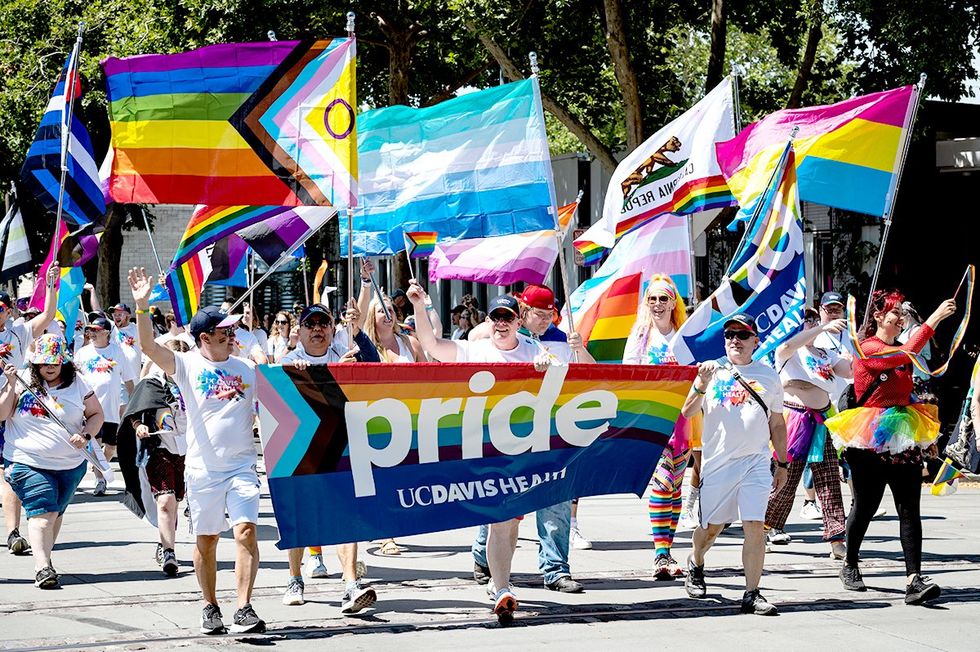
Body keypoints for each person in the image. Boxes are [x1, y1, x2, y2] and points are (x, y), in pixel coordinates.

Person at [408, 286, 562, 622]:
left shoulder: (534, 349)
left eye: (507, 317)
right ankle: (503, 587)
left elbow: (562, 389)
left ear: (518, 320)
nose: (501, 323)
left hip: (523, 453)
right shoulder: (473, 350)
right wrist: (420, 306)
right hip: (485, 452)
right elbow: (433, 346)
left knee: (510, 524)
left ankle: (499, 581)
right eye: (496, 317)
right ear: (489, 321)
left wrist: (548, 369)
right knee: (500, 521)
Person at [129, 268, 266, 635]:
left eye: (233, 328)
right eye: (225, 330)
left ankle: (244, 607)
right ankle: (210, 606)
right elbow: (147, 347)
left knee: (246, 532)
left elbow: (281, 395)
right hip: (203, 469)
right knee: (207, 540)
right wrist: (142, 306)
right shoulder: (187, 364)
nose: (232, 333)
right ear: (205, 337)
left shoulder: (249, 369)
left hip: (241, 468)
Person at [825, 290, 957, 605]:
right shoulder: (868, 348)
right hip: (868, 438)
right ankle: (850, 562)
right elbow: (907, 354)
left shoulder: (901, 350)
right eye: (894, 312)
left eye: (901, 313)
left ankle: (914, 580)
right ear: (878, 317)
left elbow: (905, 385)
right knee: (866, 505)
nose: (900, 317)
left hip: (903, 436)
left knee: (910, 508)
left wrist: (925, 439)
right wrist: (935, 318)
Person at [468, 284, 591, 598]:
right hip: (502, 437)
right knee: (498, 501)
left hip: (552, 436)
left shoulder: (563, 341)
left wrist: (580, 349)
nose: (545, 320)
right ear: (523, 313)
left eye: (550, 313)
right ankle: (484, 558)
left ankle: (556, 569)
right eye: (538, 314)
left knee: (555, 501)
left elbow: (592, 377)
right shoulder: (497, 338)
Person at [681, 313, 788, 616]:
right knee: (710, 530)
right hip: (718, 465)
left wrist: (782, 463)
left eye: (742, 335)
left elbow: (777, 424)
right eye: (729, 335)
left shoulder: (768, 374)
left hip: (755, 462)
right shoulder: (711, 371)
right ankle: (696, 561)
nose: (735, 341)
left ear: (756, 340)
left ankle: (752, 593)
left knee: (754, 525)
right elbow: (688, 412)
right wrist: (701, 382)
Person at [280, 303, 380, 613]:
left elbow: (374, 363)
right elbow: (275, 401)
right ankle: (295, 579)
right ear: (301, 330)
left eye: (323, 323)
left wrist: (359, 336)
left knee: (346, 516)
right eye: (311, 324)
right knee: (301, 518)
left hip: (342, 448)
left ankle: (351, 584)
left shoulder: (343, 355)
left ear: (332, 329)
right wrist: (292, 377)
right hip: (303, 451)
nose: (317, 329)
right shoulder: (289, 360)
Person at [0, 334, 104, 588]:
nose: (49, 367)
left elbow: (96, 414)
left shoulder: (78, 383)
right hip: (27, 460)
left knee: (54, 514)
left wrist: (85, 434)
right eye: (44, 363)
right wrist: (10, 384)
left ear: (63, 363)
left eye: (55, 363)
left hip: (70, 465)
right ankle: (43, 568)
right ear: (35, 363)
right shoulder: (22, 379)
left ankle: (45, 557)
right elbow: (3, 414)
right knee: (43, 513)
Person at [622, 275, 702, 579]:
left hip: (684, 418)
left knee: (675, 486)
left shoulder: (684, 335)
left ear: (673, 303)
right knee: (663, 483)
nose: (657, 304)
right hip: (652, 418)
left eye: (663, 299)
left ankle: (666, 551)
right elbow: (628, 375)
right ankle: (661, 554)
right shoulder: (640, 335)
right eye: (652, 299)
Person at [764, 307, 851, 559]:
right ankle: (764, 527)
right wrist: (822, 327)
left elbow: (850, 370)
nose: (810, 324)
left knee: (829, 481)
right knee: (785, 479)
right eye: (805, 320)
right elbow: (790, 344)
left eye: (814, 319)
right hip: (795, 421)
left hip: (824, 420)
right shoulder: (786, 351)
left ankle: (836, 539)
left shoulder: (826, 353)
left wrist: (857, 343)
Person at [1, 267, 59, 555]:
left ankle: (14, 531)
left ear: (9, 310)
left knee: (9, 469)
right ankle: (14, 529)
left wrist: (50, 283)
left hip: (13, 404)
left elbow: (48, 315)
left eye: (0, 309)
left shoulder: (20, 331)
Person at [122, 338, 189, 577]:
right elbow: (134, 411)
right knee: (165, 501)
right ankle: (169, 552)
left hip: (188, 450)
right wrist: (139, 425)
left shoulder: (192, 383)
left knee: (176, 500)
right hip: (159, 448)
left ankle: (164, 542)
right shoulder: (151, 384)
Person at [74, 317, 137, 496]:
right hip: (90, 410)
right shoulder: (83, 353)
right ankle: (100, 479)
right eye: (90, 330)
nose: (91, 333)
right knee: (94, 445)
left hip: (111, 410)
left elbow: (129, 380)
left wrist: (134, 402)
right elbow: (75, 379)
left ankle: (101, 469)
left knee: (110, 447)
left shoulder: (118, 352)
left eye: (96, 330)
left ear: (107, 332)